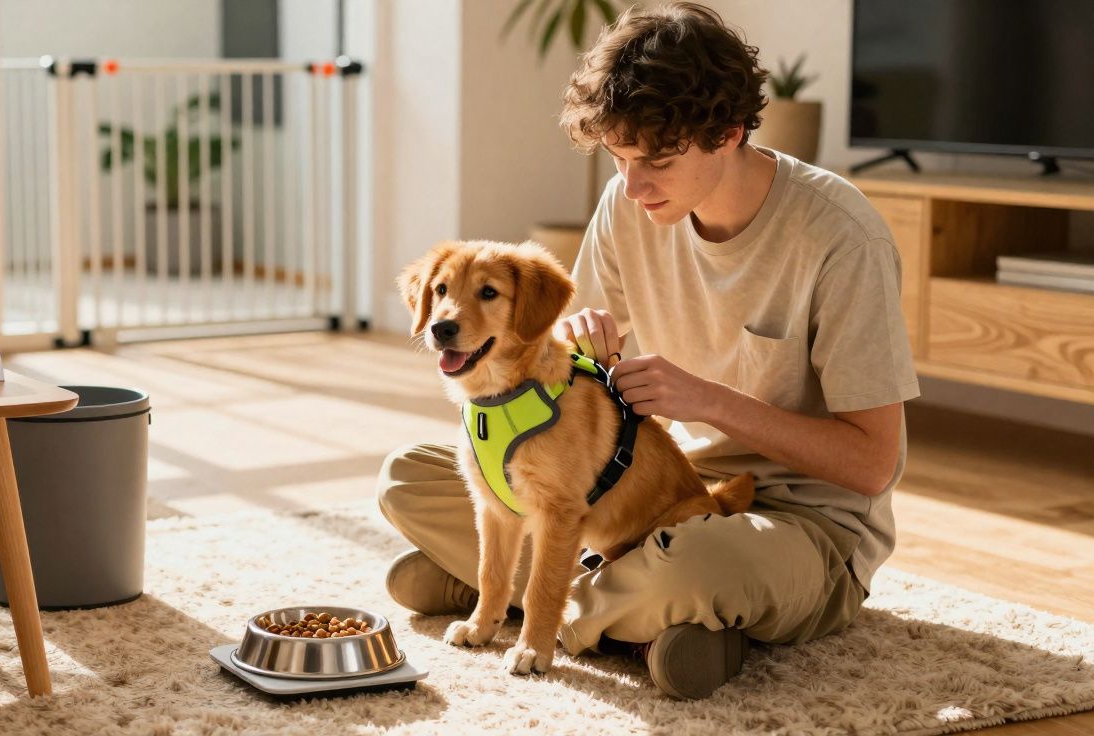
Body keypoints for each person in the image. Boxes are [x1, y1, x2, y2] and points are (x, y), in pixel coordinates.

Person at [376, 2, 920, 700]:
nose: (633, 187)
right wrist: (575, 344)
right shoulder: (629, 204)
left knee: (699, 564)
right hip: (642, 497)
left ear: (728, 133)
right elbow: (583, 381)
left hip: (798, 528)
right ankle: (639, 619)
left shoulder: (842, 237)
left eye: (657, 161)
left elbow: (873, 466)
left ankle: (536, 604)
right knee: (408, 477)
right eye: (620, 159)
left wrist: (706, 400)